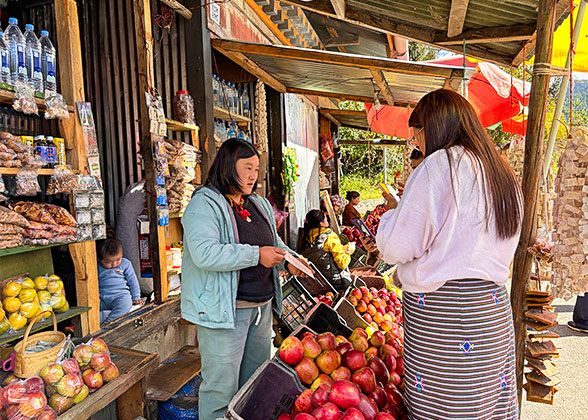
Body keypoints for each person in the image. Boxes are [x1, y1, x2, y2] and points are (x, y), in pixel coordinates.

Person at [376, 89, 522, 420]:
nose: (419, 143)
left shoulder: (440, 165)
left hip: (444, 318)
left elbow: (397, 245)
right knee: (485, 409)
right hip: (491, 312)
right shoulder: (502, 172)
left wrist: (389, 218)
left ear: (435, 127)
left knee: (445, 410)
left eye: (419, 134)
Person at [181, 138, 308, 420]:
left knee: (254, 386)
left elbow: (273, 243)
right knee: (221, 390)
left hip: (260, 310)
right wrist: (255, 256)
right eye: (247, 167)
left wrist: (291, 260)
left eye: (256, 168)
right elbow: (205, 253)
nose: (254, 175)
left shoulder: (258, 204)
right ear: (228, 167)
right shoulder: (204, 204)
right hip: (225, 313)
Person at [301, 209, 353, 291]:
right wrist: (348, 252)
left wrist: (342, 249)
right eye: (325, 218)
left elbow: (325, 254)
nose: (327, 219)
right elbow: (342, 264)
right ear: (321, 223)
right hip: (337, 283)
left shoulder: (306, 238)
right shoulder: (329, 237)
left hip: (319, 283)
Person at [97, 238, 142, 324]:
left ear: (122, 254)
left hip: (120, 296)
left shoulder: (125, 264)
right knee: (90, 308)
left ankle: (108, 324)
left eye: (118, 260)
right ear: (100, 259)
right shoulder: (96, 266)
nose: (114, 264)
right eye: (108, 262)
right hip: (101, 298)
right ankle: (95, 326)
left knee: (125, 304)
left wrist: (136, 297)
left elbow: (133, 281)